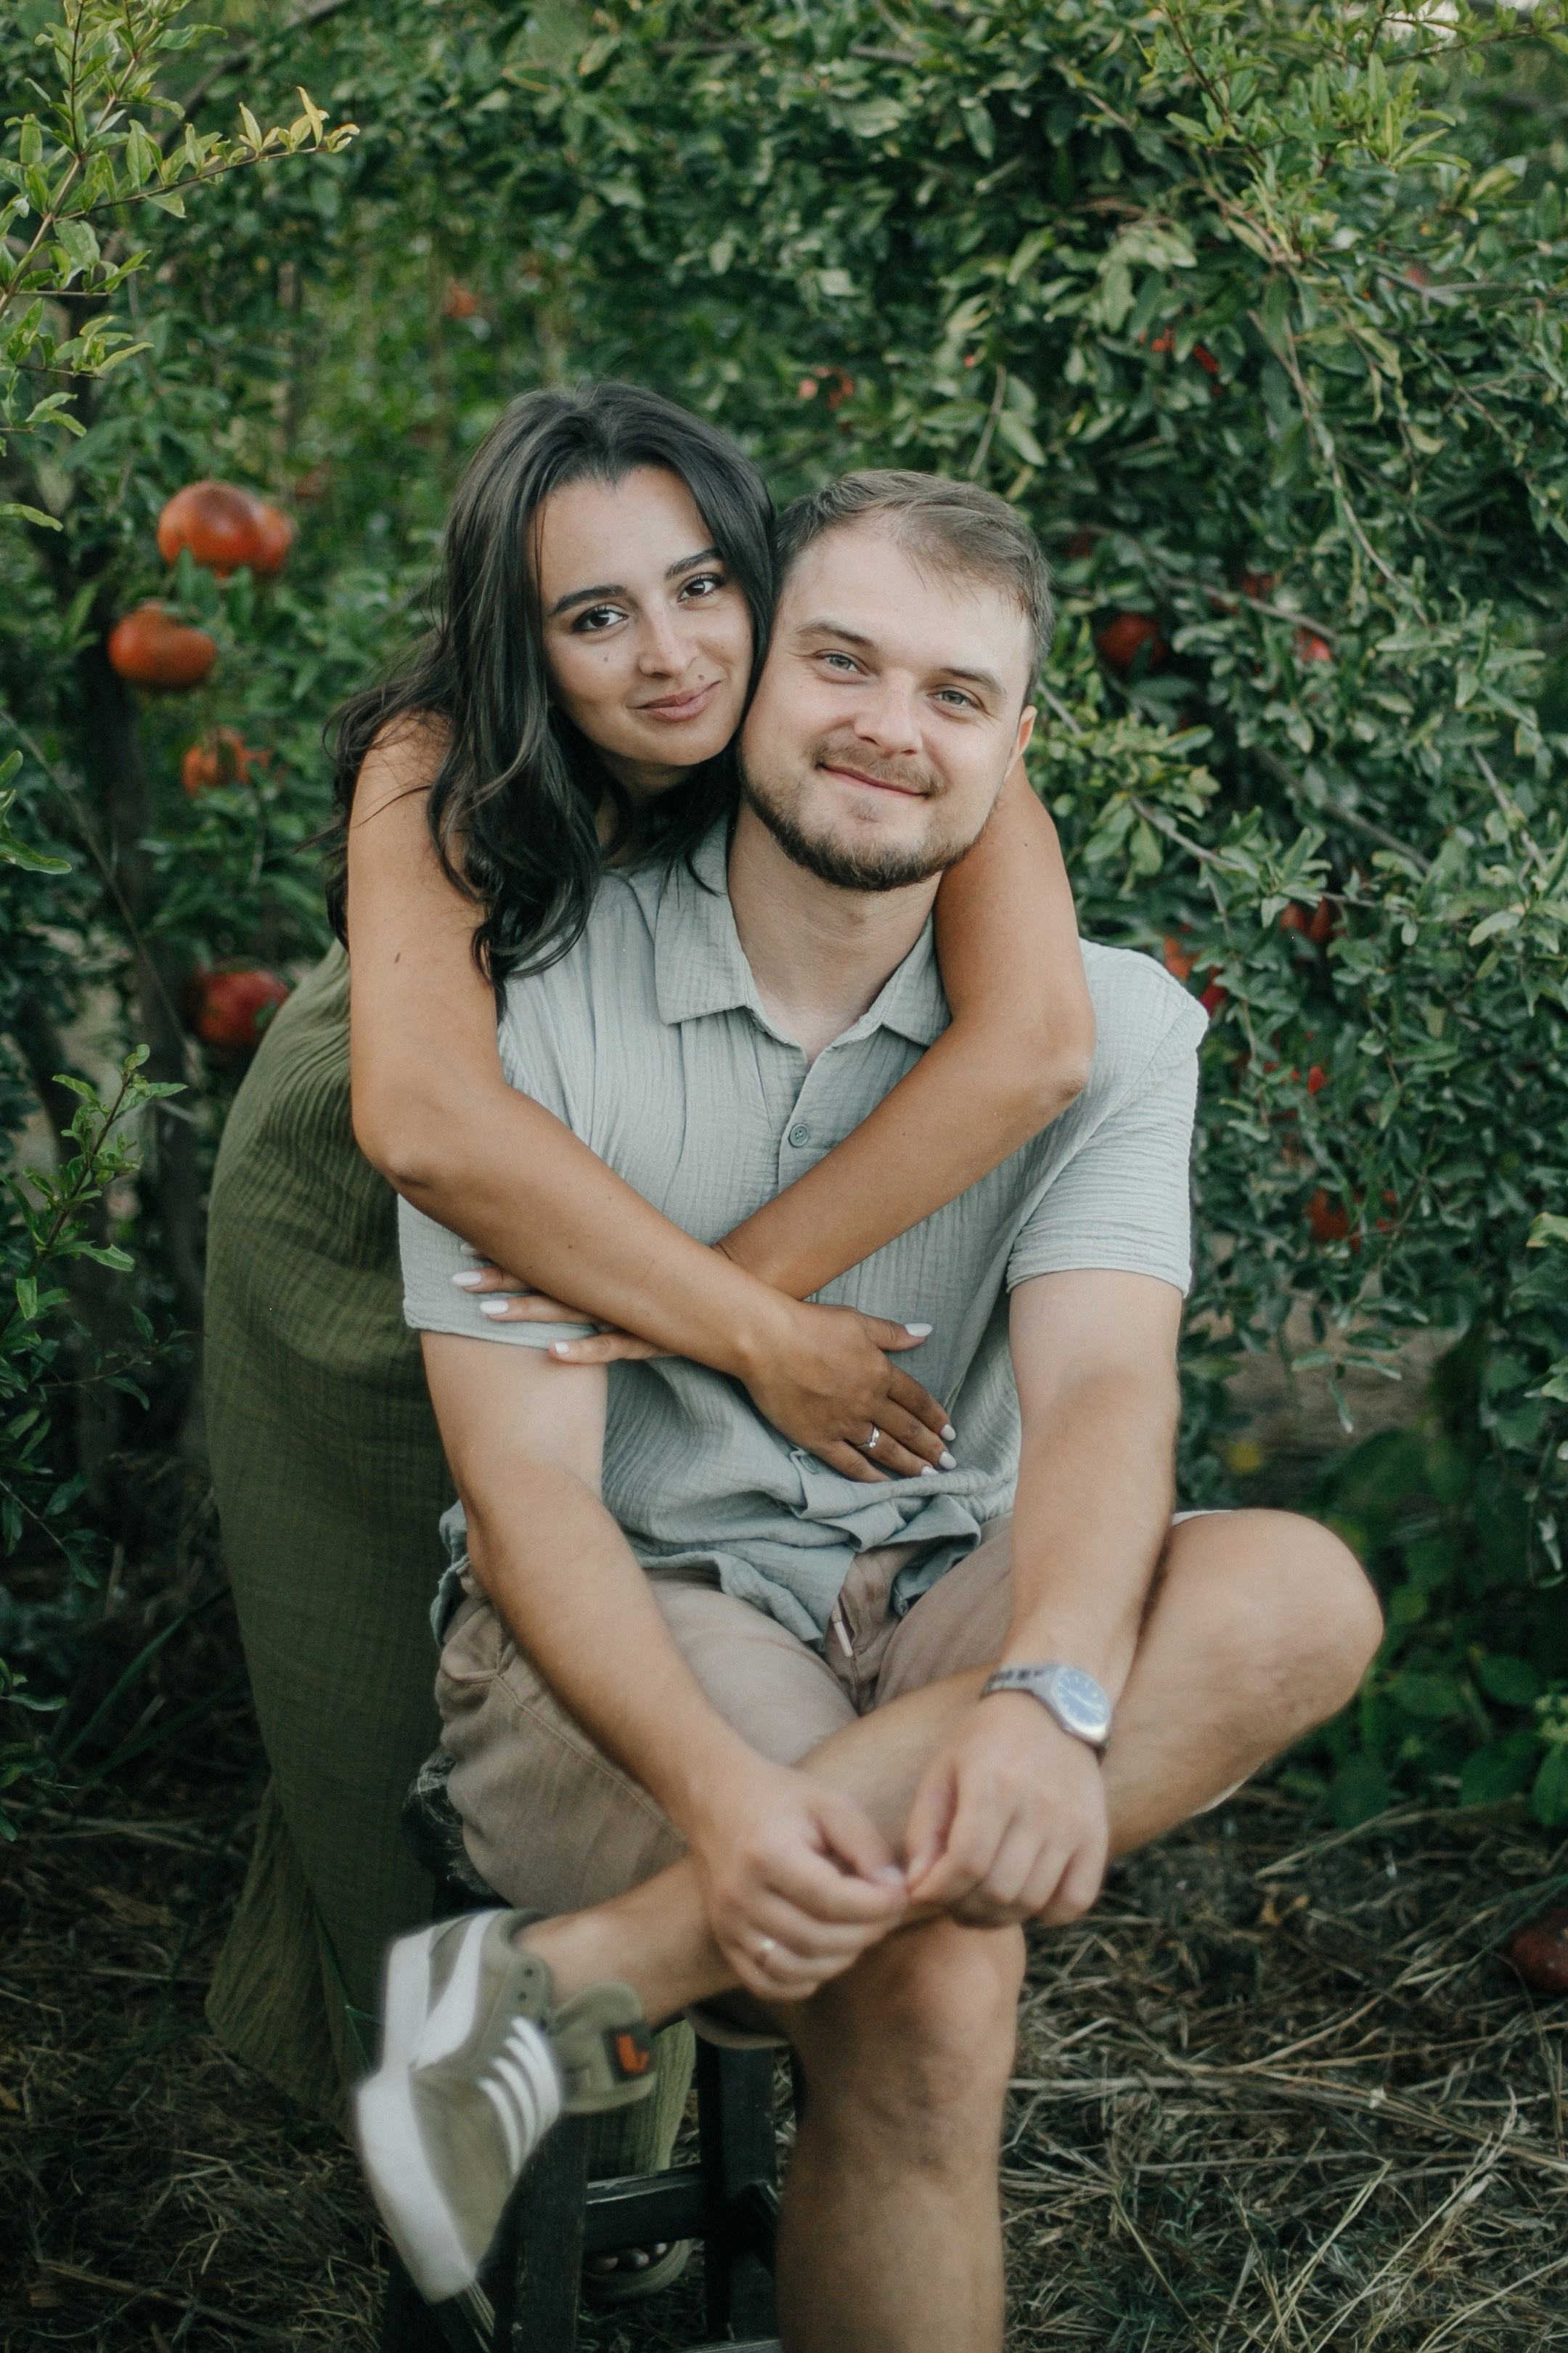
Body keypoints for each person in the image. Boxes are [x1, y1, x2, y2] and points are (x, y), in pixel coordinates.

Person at [354, 470, 1383, 2349]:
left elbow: (1097, 1402)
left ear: (1017, 741)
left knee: (1302, 1588)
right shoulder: (539, 1006)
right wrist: (723, 1794)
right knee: (930, 1993)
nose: (890, 732)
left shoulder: (1115, 1028)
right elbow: (533, 1503)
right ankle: (656, 1922)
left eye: (955, 695)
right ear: (746, 679)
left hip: (931, 1579)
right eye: (839, 661)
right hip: (642, 1610)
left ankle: (575, 1984)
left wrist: (1052, 1698)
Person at [202, 386, 1094, 2251]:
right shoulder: (437, 755)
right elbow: (430, 1122)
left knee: (668, 1577)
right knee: (399, 1647)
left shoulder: (870, 696)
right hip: (385, 1220)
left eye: (705, 586)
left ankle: (623, 2034)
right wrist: (748, 1339)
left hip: (678, 1205)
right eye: (595, 616)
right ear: (520, 642)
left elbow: (1033, 1046)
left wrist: (716, 1302)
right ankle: (406, 2103)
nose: (674, 652)